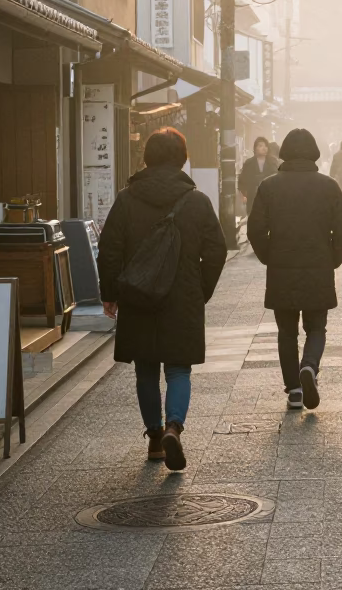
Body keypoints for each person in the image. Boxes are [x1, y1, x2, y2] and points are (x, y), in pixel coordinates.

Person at [97, 128, 227, 471]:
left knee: (146, 368)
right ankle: (174, 426)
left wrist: (110, 293)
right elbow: (216, 250)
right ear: (183, 158)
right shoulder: (196, 201)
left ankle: (155, 439)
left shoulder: (127, 199)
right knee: (178, 368)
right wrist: (201, 289)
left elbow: (109, 250)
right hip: (182, 296)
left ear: (147, 158)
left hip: (138, 296)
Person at [248, 129, 342, 410]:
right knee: (317, 327)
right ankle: (309, 367)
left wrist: (269, 256)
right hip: (319, 266)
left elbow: (255, 229)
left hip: (281, 267)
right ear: (314, 154)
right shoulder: (329, 186)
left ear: (284, 153)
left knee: (286, 331)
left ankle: (294, 390)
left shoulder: (269, 186)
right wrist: (333, 259)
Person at [239, 136, 279, 217]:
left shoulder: (273, 162)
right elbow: (242, 180)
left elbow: (277, 178)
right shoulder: (249, 163)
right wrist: (244, 194)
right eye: (260, 146)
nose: (264, 148)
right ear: (255, 148)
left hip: (269, 197)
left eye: (265, 146)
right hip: (252, 197)